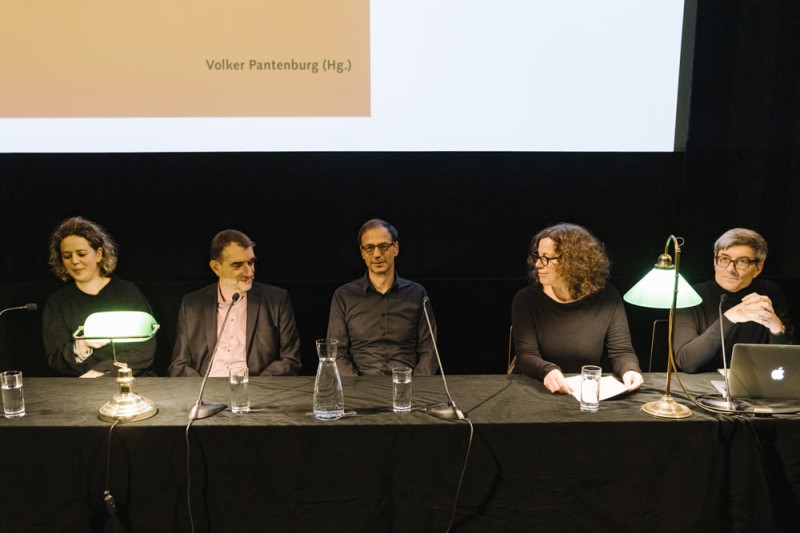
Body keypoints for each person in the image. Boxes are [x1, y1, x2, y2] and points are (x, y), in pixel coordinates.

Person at [511, 223, 643, 394]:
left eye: (547, 258)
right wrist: (547, 370)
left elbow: (621, 351)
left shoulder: (607, 297)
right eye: (537, 256)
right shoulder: (526, 299)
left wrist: (630, 370)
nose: (537, 264)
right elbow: (526, 355)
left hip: (586, 390)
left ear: (573, 262)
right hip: (537, 389)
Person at [168, 229, 301, 377]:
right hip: (206, 391)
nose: (249, 272)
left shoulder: (277, 300)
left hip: (257, 390)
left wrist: (254, 388)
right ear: (216, 267)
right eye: (237, 265)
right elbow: (179, 365)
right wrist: (203, 391)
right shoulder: (191, 305)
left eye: (251, 262)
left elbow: (290, 360)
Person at [42, 216, 156, 377]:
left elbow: (144, 351)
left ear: (98, 254)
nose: (74, 261)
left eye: (81, 254)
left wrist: (102, 371)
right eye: (67, 256)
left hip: (131, 380)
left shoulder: (126, 292)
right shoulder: (58, 302)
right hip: (81, 387)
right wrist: (81, 345)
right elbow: (55, 359)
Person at [326, 219, 438, 376]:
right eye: (370, 248)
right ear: (362, 253)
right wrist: (356, 387)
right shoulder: (344, 296)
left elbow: (429, 350)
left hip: (408, 387)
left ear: (396, 248)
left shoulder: (417, 294)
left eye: (383, 246)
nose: (377, 254)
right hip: (359, 388)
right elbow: (336, 351)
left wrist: (415, 386)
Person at [675, 228, 794, 373]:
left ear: (758, 267)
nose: (731, 269)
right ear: (715, 262)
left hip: (755, 384)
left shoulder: (770, 293)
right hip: (699, 386)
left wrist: (777, 329)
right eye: (724, 259)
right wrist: (730, 317)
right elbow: (687, 362)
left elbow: (785, 363)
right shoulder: (690, 296)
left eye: (742, 261)